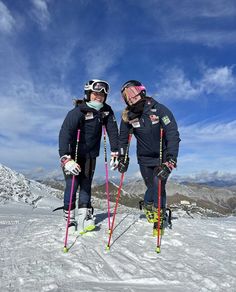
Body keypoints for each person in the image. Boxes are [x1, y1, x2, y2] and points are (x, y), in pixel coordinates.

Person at [118, 80, 180, 234]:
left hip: (162, 157)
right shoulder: (128, 116)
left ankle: (160, 216)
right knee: (150, 186)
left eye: (132, 93)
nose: (130, 98)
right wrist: (122, 156)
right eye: (126, 96)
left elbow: (172, 134)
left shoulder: (159, 109)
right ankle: (147, 204)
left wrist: (171, 160)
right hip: (144, 159)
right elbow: (123, 138)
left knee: (159, 185)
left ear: (142, 91)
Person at [59, 79, 119, 234]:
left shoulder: (106, 111)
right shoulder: (78, 112)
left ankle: (84, 217)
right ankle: (70, 219)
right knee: (72, 186)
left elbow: (112, 130)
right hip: (73, 156)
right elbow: (65, 134)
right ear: (88, 94)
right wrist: (66, 159)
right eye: (95, 93)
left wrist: (115, 151)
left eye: (102, 95)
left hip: (91, 156)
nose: (98, 97)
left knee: (86, 186)